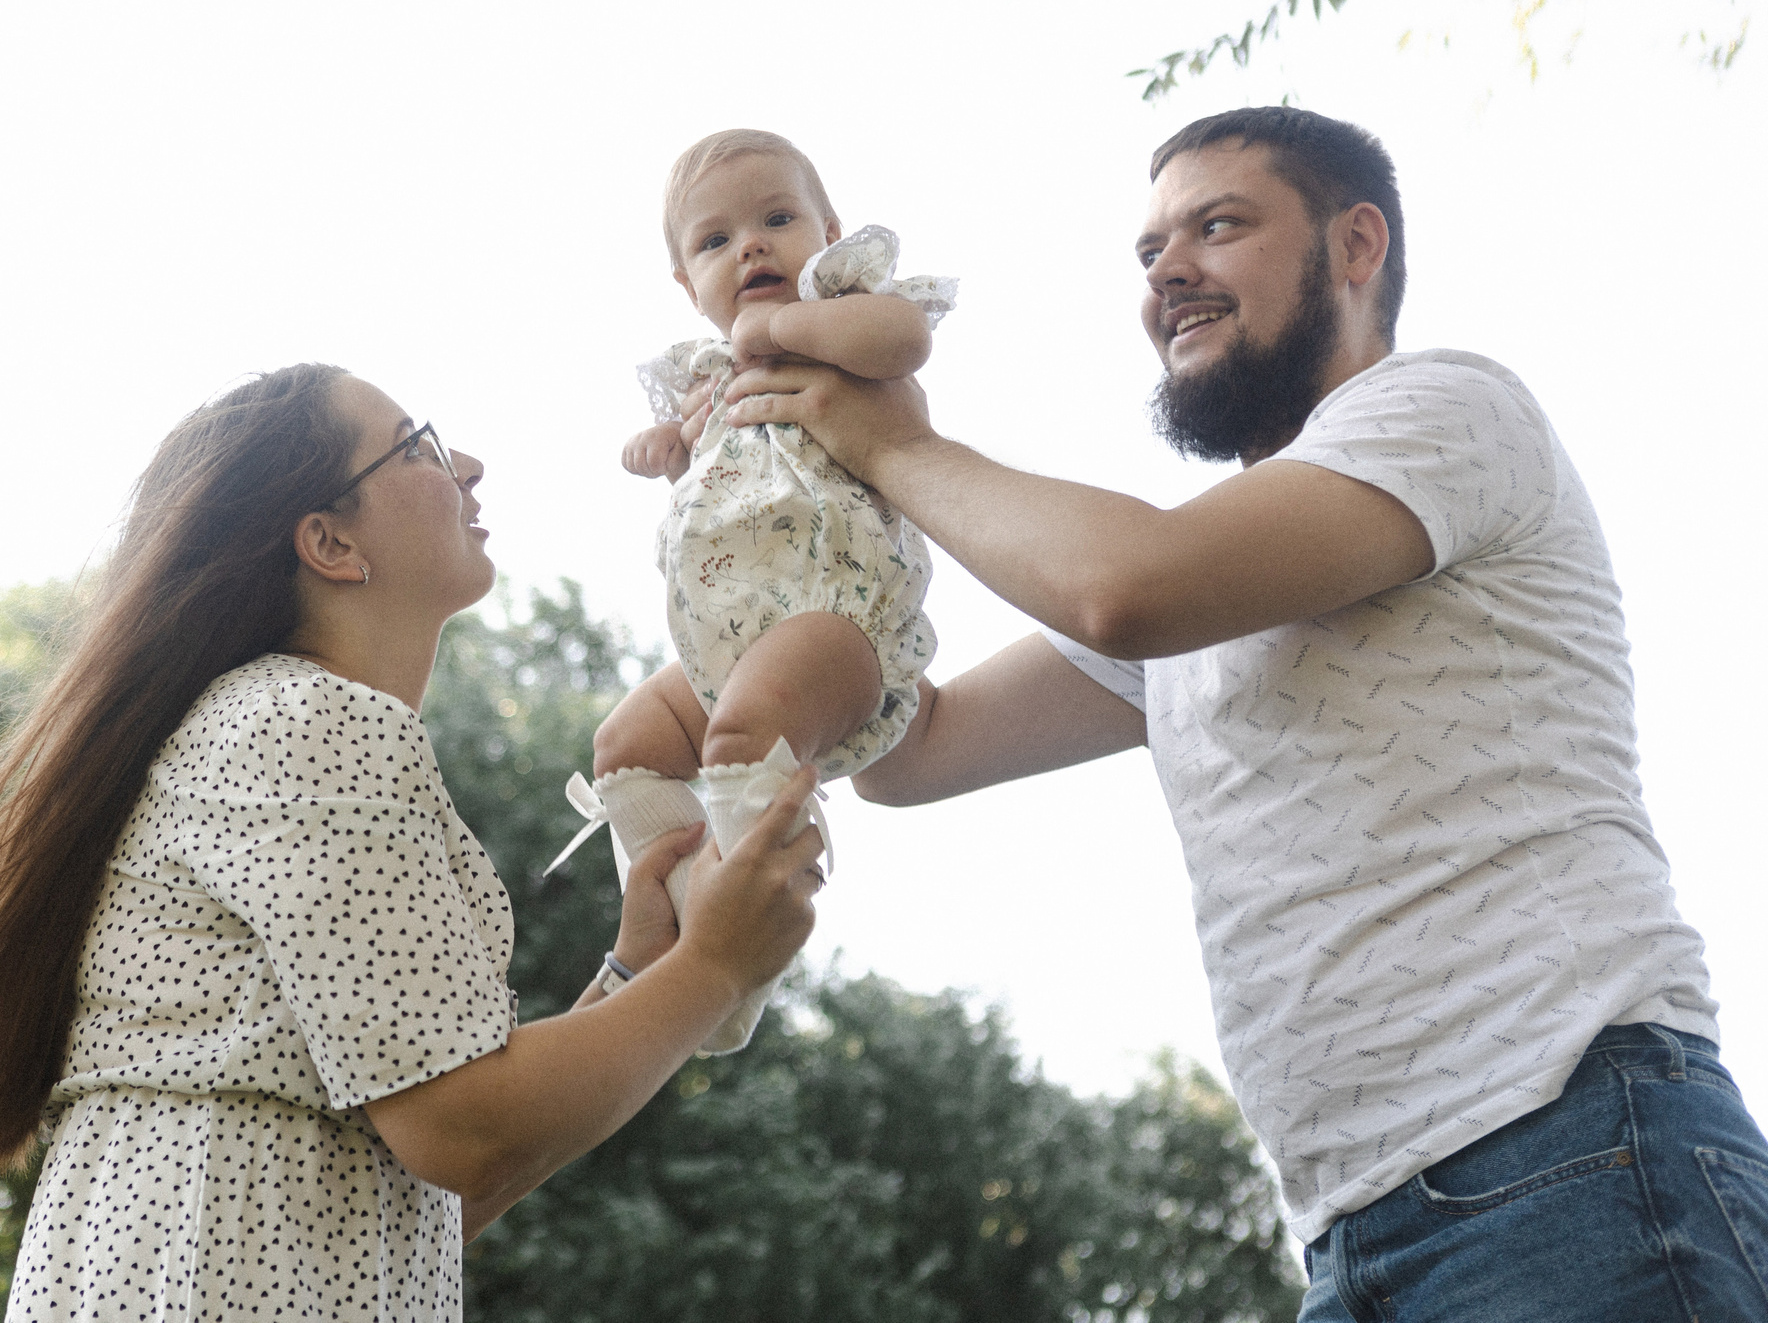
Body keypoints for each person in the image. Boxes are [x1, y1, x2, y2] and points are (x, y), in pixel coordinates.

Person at [721, 106, 1768, 1321]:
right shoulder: (1204, 585)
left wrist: (880, 435)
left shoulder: (1448, 409)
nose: (1169, 270)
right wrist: (787, 537)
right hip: (1353, 1237)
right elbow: (907, 749)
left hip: (1569, 1158)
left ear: (1355, 246)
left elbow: (1125, 585)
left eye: (1218, 226)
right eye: (1149, 249)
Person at [0, 362, 827, 1321]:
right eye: (417, 445)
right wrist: (714, 963)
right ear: (330, 542)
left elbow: (423, 1192)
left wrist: (641, 970)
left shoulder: (282, 730)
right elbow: (464, 1132)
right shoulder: (308, 723)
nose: (467, 464)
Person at [553, 128, 956, 1054]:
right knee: (628, 744)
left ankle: (739, 962)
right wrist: (661, 450)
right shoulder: (702, 378)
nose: (752, 248)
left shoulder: (846, 320)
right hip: (721, 647)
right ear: (686, 286)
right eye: (715, 241)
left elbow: (906, 338)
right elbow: (666, 455)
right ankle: (684, 912)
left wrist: (775, 328)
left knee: (741, 733)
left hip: (838, 627)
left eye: (778, 220)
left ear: (831, 233)